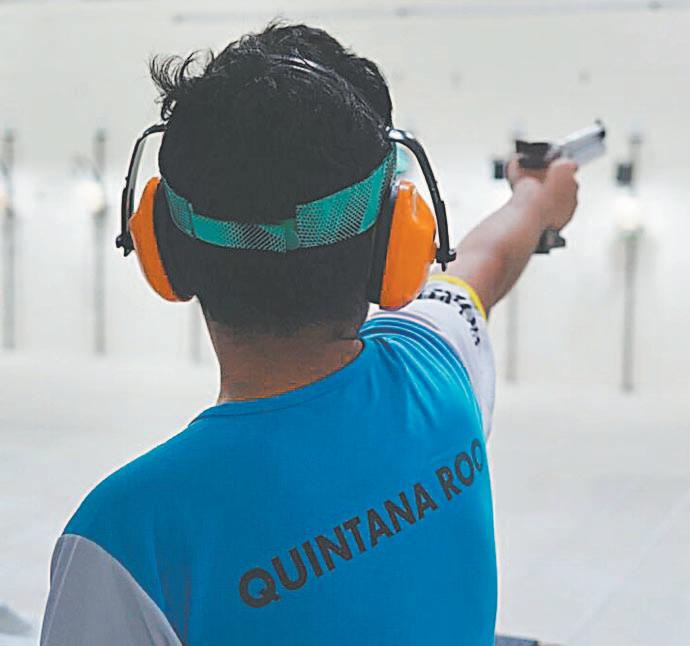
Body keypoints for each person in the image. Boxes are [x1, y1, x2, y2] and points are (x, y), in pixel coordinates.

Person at [40, 22, 578, 646]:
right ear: (395, 243)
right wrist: (535, 198)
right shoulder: (437, 370)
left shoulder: (126, 535)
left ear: (163, 247)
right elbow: (487, 260)